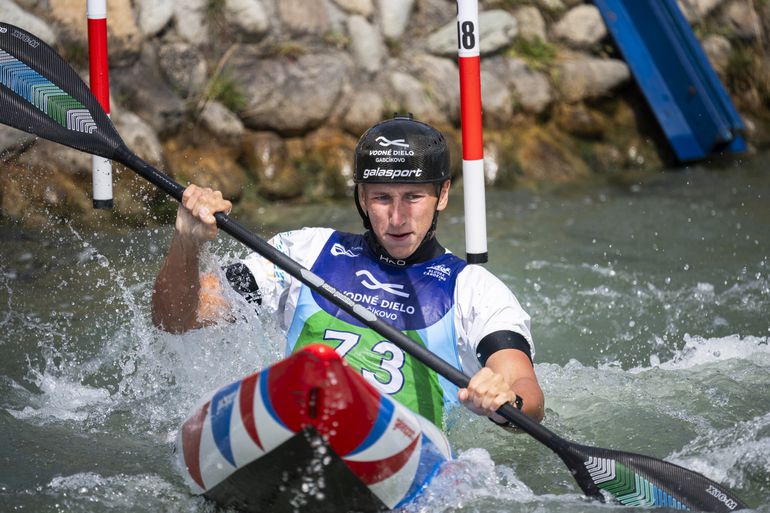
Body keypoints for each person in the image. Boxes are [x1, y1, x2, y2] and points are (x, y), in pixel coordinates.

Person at [152, 115, 544, 428]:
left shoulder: (474, 288)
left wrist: (504, 398)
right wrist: (186, 243)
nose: (397, 216)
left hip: (406, 449)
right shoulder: (307, 251)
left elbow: (527, 390)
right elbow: (177, 319)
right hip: (295, 426)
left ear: (442, 194)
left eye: (413, 197)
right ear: (361, 197)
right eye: (381, 198)